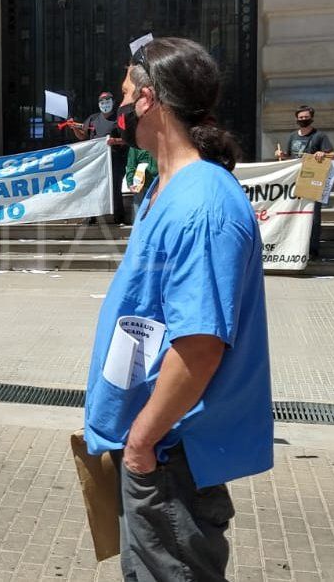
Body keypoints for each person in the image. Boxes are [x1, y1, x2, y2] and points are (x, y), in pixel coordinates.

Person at [85, 37, 272, 581]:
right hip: (150, 445)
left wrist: (142, 442)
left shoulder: (203, 205)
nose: (116, 110)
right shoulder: (161, 190)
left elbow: (200, 346)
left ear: (148, 100)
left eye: (124, 93)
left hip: (169, 455)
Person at [275, 105, 334, 258]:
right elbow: (289, 156)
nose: (303, 120)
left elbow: (333, 154)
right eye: (300, 118)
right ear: (296, 119)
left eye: (306, 117)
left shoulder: (320, 136)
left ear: (311, 117)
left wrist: (323, 153)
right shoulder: (292, 136)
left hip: (312, 180)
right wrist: (281, 154)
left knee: (314, 216)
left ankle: (313, 249)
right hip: (294, 180)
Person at [76, 91, 128, 224]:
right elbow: (83, 136)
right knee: (93, 187)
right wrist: (74, 128)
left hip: (115, 160)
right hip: (96, 161)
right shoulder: (93, 119)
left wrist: (114, 141)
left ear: (113, 103)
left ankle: (119, 217)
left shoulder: (119, 118)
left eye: (107, 102)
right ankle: (91, 217)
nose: (105, 105)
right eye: (102, 102)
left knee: (114, 188)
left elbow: (128, 139)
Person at [124, 145, 158, 213]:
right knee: (140, 214)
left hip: (159, 184)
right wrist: (130, 183)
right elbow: (131, 165)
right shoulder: (135, 145)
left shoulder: (161, 142)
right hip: (140, 186)